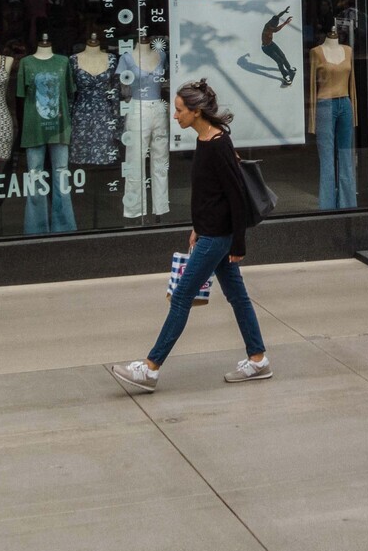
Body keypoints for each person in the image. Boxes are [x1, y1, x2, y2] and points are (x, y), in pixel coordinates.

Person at [111, 79, 270, 392]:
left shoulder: (218, 144)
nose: (175, 116)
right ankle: (258, 360)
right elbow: (210, 194)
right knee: (237, 296)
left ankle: (150, 368)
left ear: (197, 112)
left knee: (182, 296)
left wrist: (238, 242)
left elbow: (236, 196)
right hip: (210, 232)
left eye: (180, 110)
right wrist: (198, 225)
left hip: (219, 237)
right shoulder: (205, 138)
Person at [259, 9, 296, 86]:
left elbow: (278, 15)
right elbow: (276, 30)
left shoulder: (273, 19)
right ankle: (285, 76)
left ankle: (288, 68)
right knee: (279, 61)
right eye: (275, 24)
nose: (276, 25)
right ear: (272, 24)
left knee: (282, 55)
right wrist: (285, 23)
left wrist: (284, 11)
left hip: (271, 44)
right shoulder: (268, 26)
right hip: (266, 48)